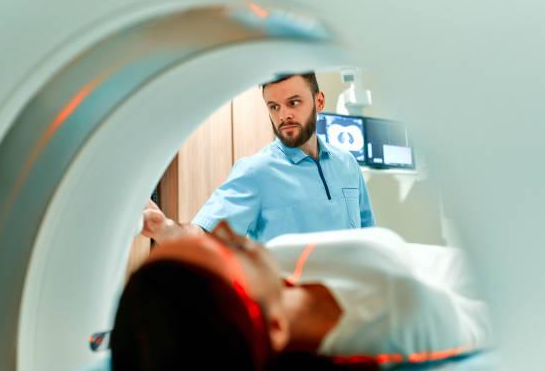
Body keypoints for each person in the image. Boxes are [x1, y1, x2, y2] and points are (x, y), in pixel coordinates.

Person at [112, 222, 491, 370]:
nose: (227, 227)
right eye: (234, 249)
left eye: (211, 238)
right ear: (274, 327)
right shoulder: (396, 324)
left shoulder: (272, 265)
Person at [142, 73, 375, 243]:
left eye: (294, 103)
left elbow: (370, 239)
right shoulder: (256, 172)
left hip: (354, 305)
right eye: (274, 107)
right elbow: (206, 235)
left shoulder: (348, 164)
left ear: (319, 101)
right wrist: (166, 229)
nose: (284, 115)